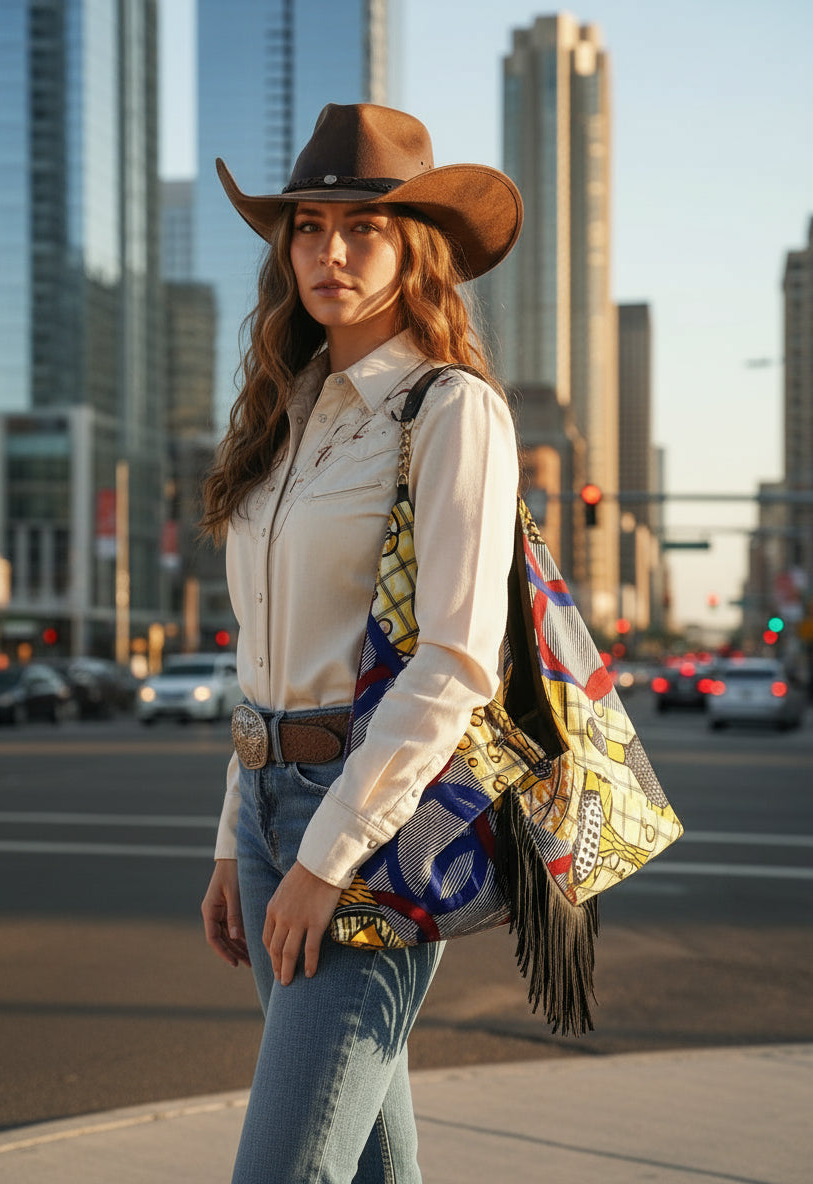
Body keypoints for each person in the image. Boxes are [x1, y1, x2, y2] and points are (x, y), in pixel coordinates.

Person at [200, 103, 523, 1184]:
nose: (328, 252)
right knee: (373, 1163)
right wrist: (232, 838)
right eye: (307, 226)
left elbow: (455, 662)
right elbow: (264, 654)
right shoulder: (284, 412)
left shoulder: (448, 409)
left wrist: (325, 859)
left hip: (375, 825)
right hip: (268, 809)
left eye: (363, 228)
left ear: (413, 246)